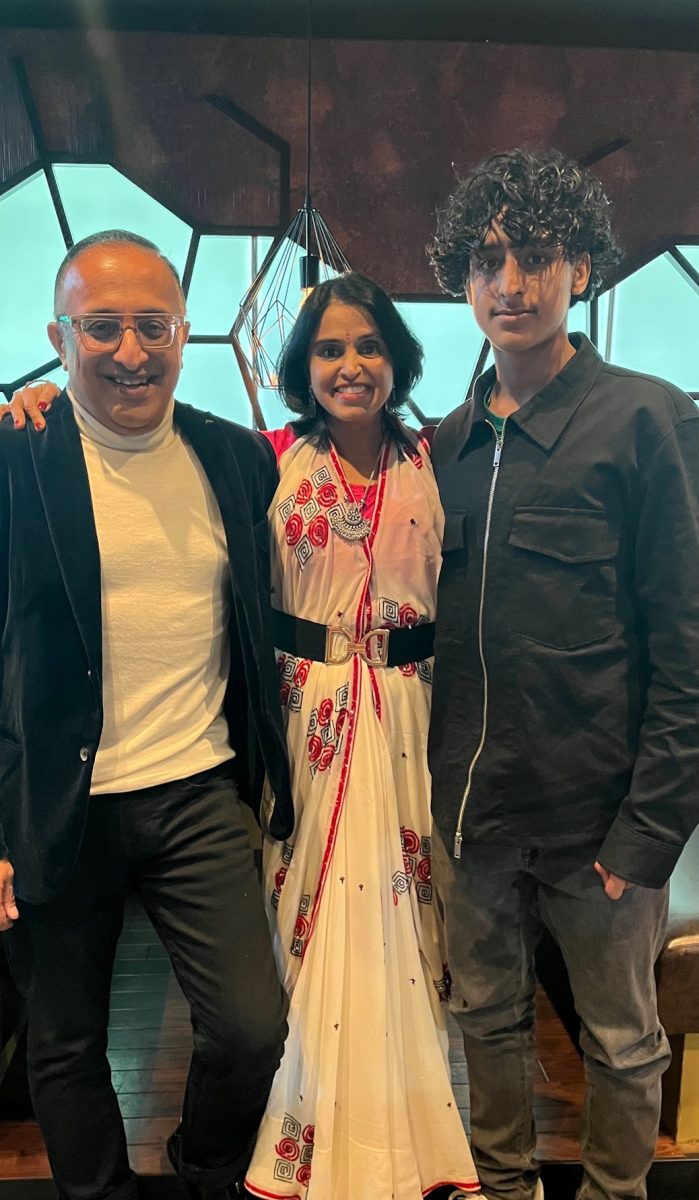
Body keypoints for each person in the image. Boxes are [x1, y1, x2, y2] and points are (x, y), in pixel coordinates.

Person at [7, 272, 483, 1200]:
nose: (350, 365)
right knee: (69, 1039)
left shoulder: (391, 457)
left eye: (368, 345)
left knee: (269, 1010)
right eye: (328, 348)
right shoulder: (262, 458)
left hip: (310, 749)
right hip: (226, 750)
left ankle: (245, 1164)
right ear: (61, 336)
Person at [426, 147, 699, 1200]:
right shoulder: (448, 442)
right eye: (487, 259)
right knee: (483, 1021)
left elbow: (687, 644)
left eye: (536, 256)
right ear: (462, 276)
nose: (511, 283)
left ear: (580, 266)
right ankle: (504, 1189)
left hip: (599, 829)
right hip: (473, 821)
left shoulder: (648, 418)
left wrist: (649, 830)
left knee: (623, 1041)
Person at [0, 229, 293, 1200]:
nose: (130, 351)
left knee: (252, 1029)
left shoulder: (233, 457)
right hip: (56, 802)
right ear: (59, 336)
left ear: (183, 332)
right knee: (65, 1041)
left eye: (152, 326)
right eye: (102, 327)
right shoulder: (16, 456)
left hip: (195, 792)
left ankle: (204, 1170)